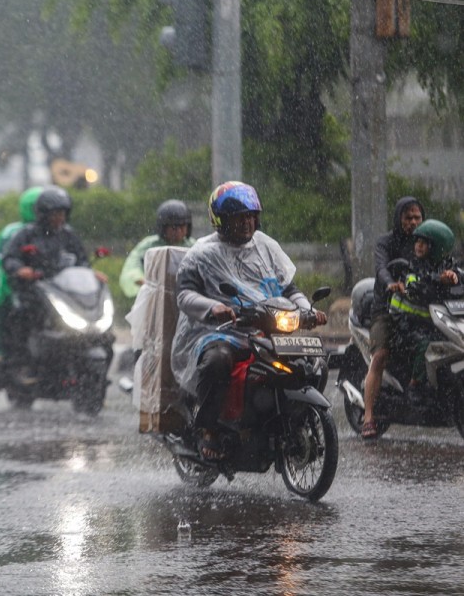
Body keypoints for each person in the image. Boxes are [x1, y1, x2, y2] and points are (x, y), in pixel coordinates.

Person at [170, 181, 327, 460]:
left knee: (313, 359)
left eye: (251, 216)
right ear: (221, 220)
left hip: (266, 328)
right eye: (239, 217)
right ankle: (208, 430)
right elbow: (184, 295)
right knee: (218, 361)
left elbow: (289, 289)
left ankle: (291, 420)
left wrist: (308, 311)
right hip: (217, 331)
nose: (247, 223)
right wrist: (214, 307)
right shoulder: (202, 253)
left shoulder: (266, 246)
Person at [2, 185, 107, 381]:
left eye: (63, 214)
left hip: (64, 291)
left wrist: (91, 273)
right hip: (35, 290)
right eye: (55, 214)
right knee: (21, 315)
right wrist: (20, 269)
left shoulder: (69, 235)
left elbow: (81, 260)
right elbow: (9, 258)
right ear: (43, 214)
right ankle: (22, 363)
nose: (60, 218)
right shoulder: (26, 234)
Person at [361, 196, 425, 439]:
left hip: (416, 309)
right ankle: (368, 416)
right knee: (380, 356)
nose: (413, 222)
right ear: (399, 218)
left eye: (417, 217)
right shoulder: (385, 242)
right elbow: (381, 267)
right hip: (386, 309)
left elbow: (441, 262)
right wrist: (390, 283)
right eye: (408, 217)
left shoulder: (424, 241)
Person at [387, 219, 461, 399]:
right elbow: (418, 286)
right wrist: (439, 280)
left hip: (429, 323)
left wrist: (455, 277)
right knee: (426, 345)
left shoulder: (445, 264)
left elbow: (457, 276)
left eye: (423, 243)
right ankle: (415, 384)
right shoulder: (413, 266)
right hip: (404, 323)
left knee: (449, 344)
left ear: (437, 248)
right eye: (417, 242)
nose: (418, 246)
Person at [0, 186, 42, 366]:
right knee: (4, 309)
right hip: (20, 285)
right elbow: (3, 262)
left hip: (51, 288)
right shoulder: (15, 233)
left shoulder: (61, 232)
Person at [119, 199, 196, 299]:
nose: (179, 231)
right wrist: (141, 280)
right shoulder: (149, 246)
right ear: (163, 227)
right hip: (155, 299)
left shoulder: (194, 247)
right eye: (174, 227)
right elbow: (132, 265)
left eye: (183, 226)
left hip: (187, 298)